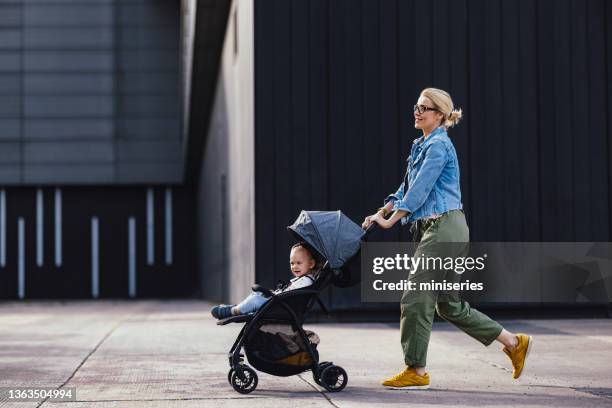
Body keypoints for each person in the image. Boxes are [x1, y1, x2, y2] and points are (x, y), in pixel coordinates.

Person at [362, 88, 532, 389]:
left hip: (443, 228)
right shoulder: (421, 145)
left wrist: (390, 221)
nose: (417, 111)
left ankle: (416, 369)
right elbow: (405, 189)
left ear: (439, 115)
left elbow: (421, 190)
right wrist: (381, 211)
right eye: (416, 106)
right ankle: (513, 342)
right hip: (441, 228)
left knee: (416, 297)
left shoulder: (439, 145)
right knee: (448, 305)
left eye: (425, 108)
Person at [211, 243, 318, 319]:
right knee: (257, 294)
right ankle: (237, 308)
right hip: (280, 304)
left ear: (311, 264)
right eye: (292, 263)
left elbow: (289, 294)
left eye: (299, 263)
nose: (295, 266)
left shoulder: (306, 281)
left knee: (256, 299)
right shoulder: (302, 280)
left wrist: (273, 295)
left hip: (281, 307)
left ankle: (232, 311)